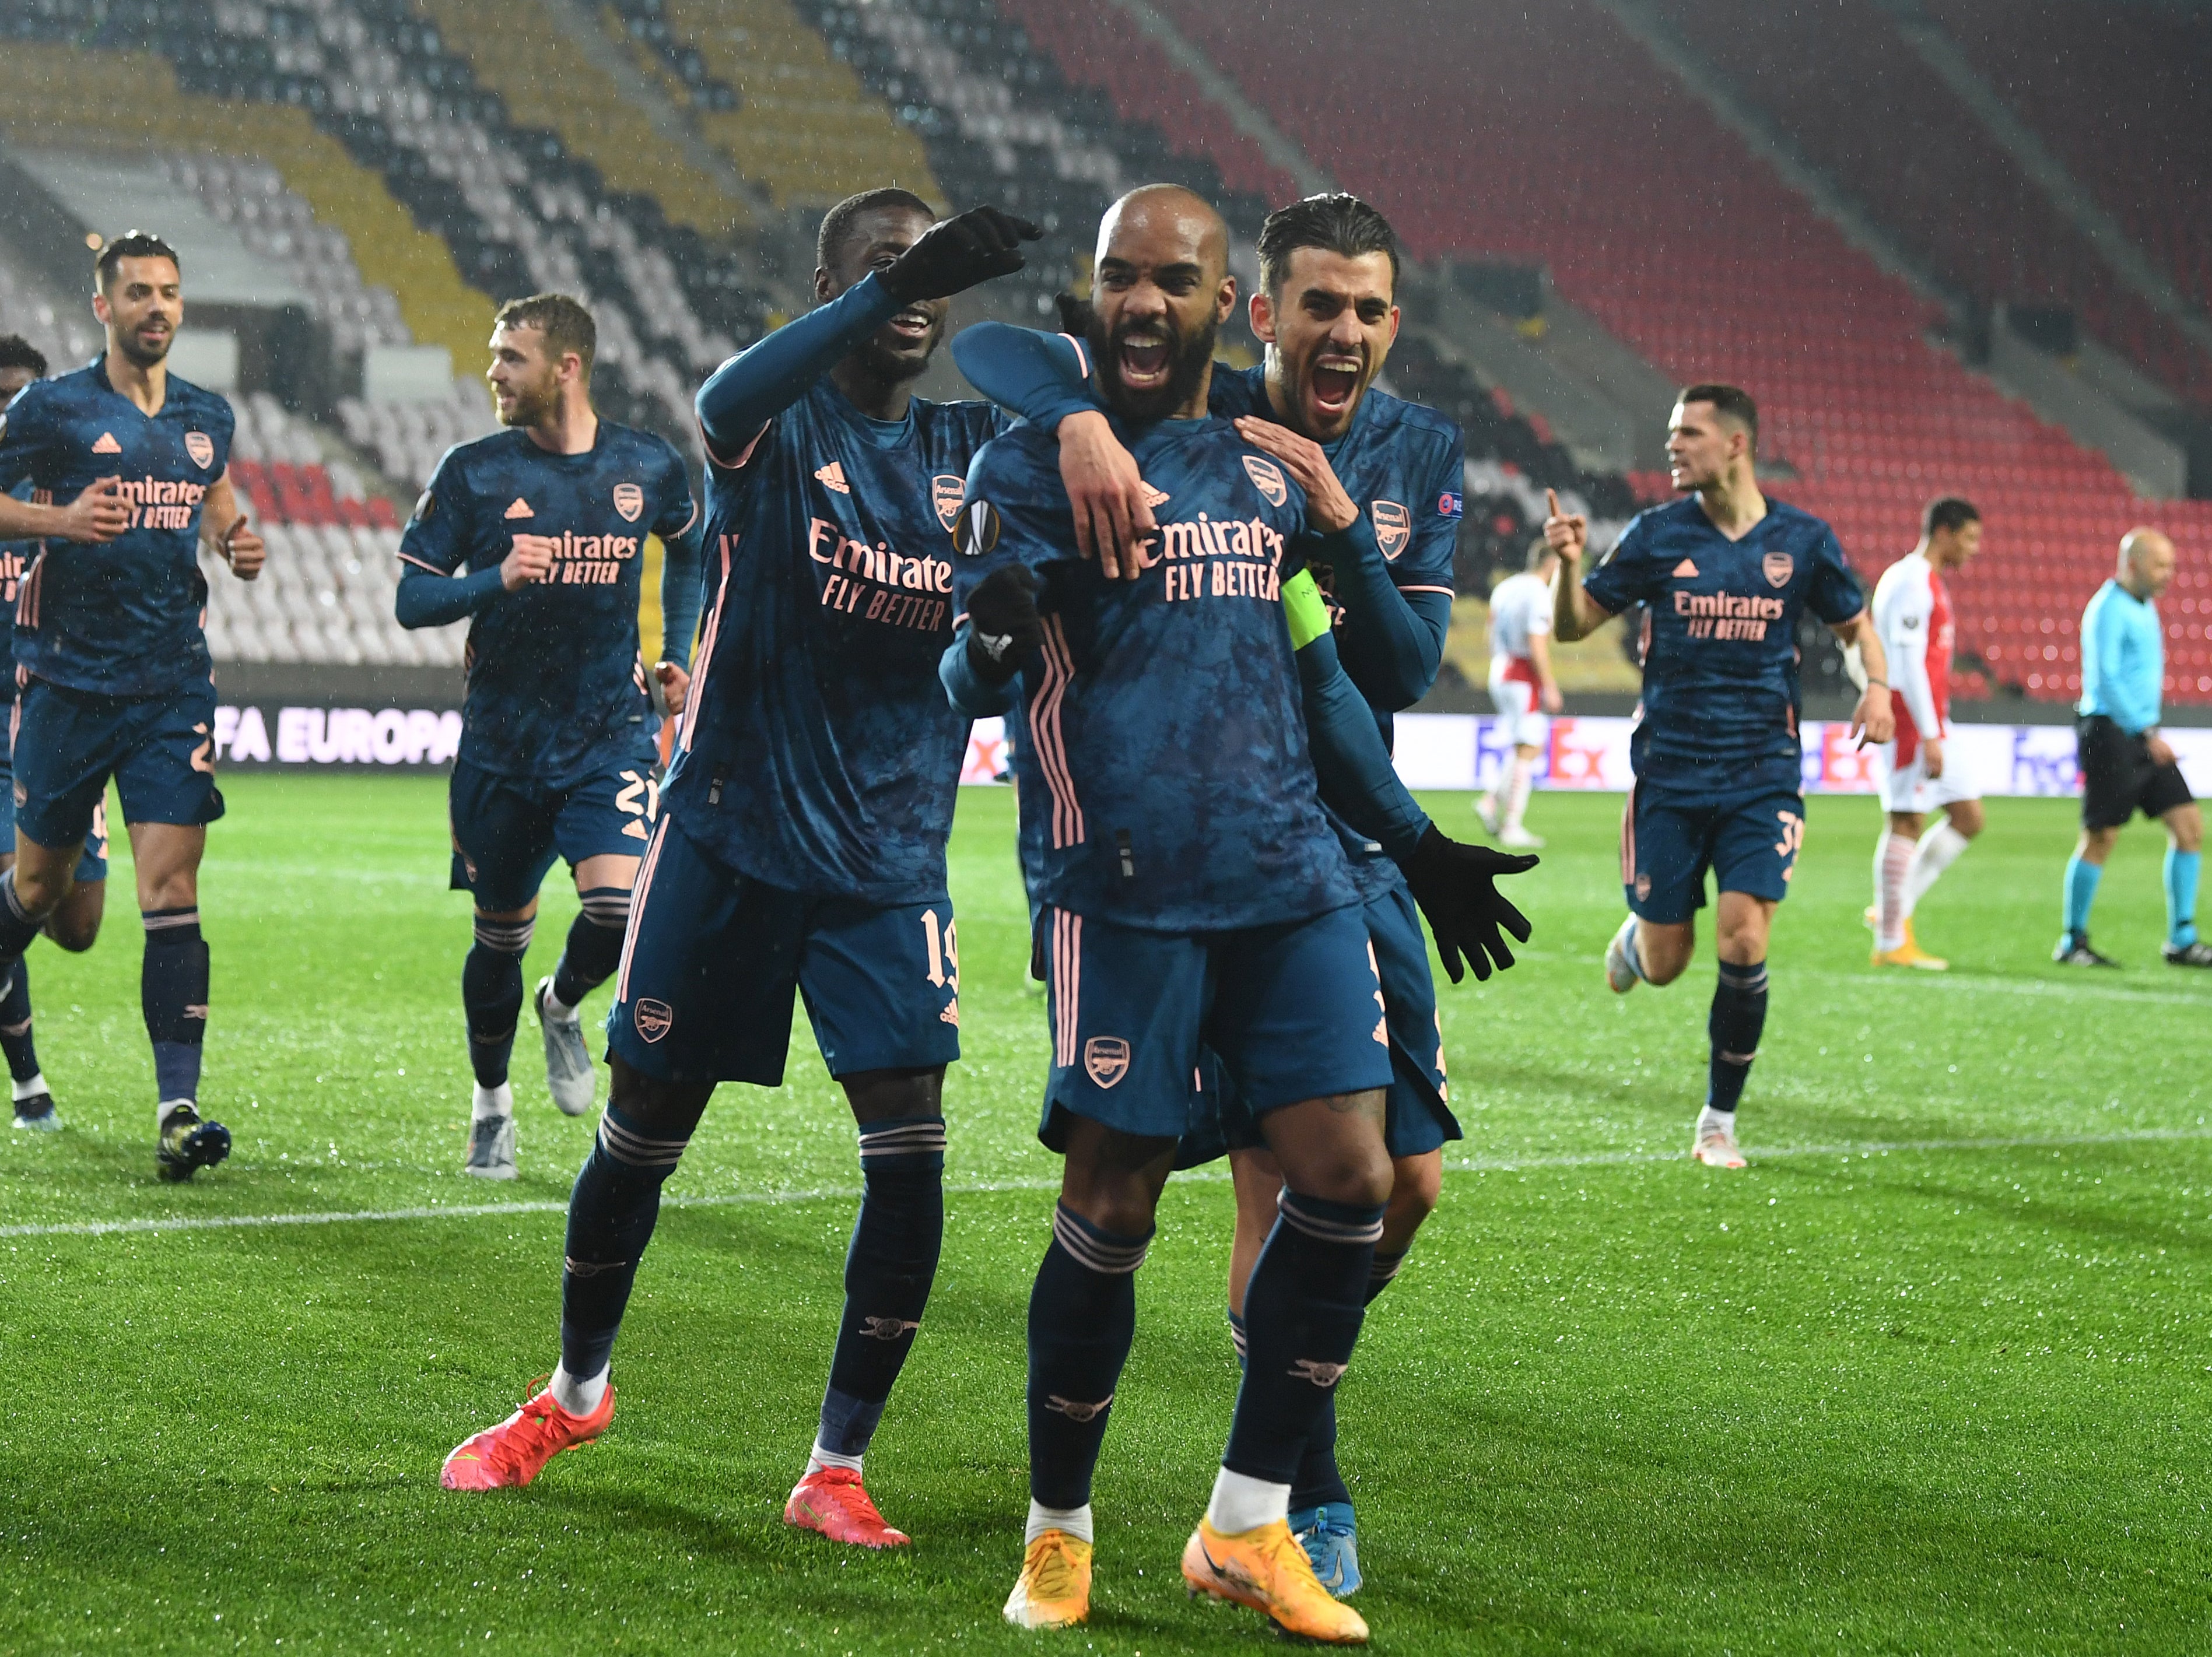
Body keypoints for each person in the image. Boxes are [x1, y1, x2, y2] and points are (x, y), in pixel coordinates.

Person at [439, 194, 1041, 1551]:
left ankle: (835, 1464)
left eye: (929, 267)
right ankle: (572, 1394)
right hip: (725, 837)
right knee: (641, 1133)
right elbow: (723, 394)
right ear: (825, 285)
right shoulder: (776, 427)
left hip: (888, 863)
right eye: (880, 267)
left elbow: (977, 677)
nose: (913, 287)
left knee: (910, 1156)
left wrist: (998, 647)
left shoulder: (974, 453)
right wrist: (876, 294)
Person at [946, 191, 1495, 1603]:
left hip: (1292, 880)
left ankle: (1248, 1523)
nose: (1143, 302)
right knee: (1112, 1208)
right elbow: (968, 666)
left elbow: (1324, 686)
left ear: (1213, 307)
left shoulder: (1270, 469)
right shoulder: (1029, 460)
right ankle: (1055, 1530)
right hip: (1122, 887)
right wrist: (992, 635)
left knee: (1355, 1182)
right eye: (1118, 279)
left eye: (1168, 281)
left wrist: (1412, 843)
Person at [394, 293, 702, 1176]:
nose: (494, 371)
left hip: (608, 733)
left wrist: (673, 654)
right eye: (495, 356)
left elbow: (691, 548)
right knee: (499, 936)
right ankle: (492, 1102)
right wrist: (493, 578)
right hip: (500, 750)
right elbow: (412, 597)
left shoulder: (646, 463)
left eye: (510, 357)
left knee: (619, 906)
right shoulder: (474, 472)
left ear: (567, 366)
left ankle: (563, 1003)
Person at [1548, 385, 1893, 1169]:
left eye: (1689, 433)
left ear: (1736, 444)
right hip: (1669, 773)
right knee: (1669, 963)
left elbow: (1855, 625)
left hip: (1762, 773)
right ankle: (1640, 941)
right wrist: (1568, 569)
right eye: (1671, 432)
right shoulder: (1655, 532)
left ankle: (1717, 1119)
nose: (1673, 446)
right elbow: (1573, 625)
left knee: (1744, 935)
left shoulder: (1801, 539)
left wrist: (1877, 686)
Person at [0, 232, 264, 1179]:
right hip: (67, 683)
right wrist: (60, 521)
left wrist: (236, 538)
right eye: (138, 292)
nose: (158, 306)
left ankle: (177, 1109)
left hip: (169, 687)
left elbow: (216, 495)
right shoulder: (52, 409)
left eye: (170, 292)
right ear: (103, 307)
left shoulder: (206, 416)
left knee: (172, 892)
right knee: (42, 896)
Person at [0, 336, 113, 1131]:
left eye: (18, 397)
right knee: (18, 884)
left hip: (62, 721)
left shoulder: (76, 489)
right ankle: (29, 1080)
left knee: (76, 925)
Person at [2056, 528, 2208, 967]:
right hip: (2109, 733)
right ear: (2133, 563)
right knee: (2101, 836)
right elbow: (2105, 679)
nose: (2168, 576)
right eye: (2161, 566)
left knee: (2188, 827)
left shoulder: (2144, 606)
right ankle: (2072, 941)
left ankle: (2182, 939)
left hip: (2141, 734)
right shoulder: (2107, 609)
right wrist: (2146, 732)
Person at [1867, 497, 1983, 970]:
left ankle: (1891, 912)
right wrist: (1930, 733)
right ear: (1944, 531)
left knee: (1967, 817)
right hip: (1910, 720)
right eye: (1969, 538)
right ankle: (1892, 940)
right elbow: (1907, 663)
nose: (1973, 550)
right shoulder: (1911, 581)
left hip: (1931, 719)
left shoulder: (1925, 581)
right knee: (1906, 822)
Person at [1477, 538, 1562, 849]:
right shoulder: (1538, 593)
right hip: (1522, 673)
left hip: (1500, 667)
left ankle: (1490, 802)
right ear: (1551, 563)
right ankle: (1511, 824)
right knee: (1530, 746)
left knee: (1526, 746)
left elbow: (1489, 629)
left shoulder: (1506, 586)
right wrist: (1550, 684)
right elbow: (1536, 641)